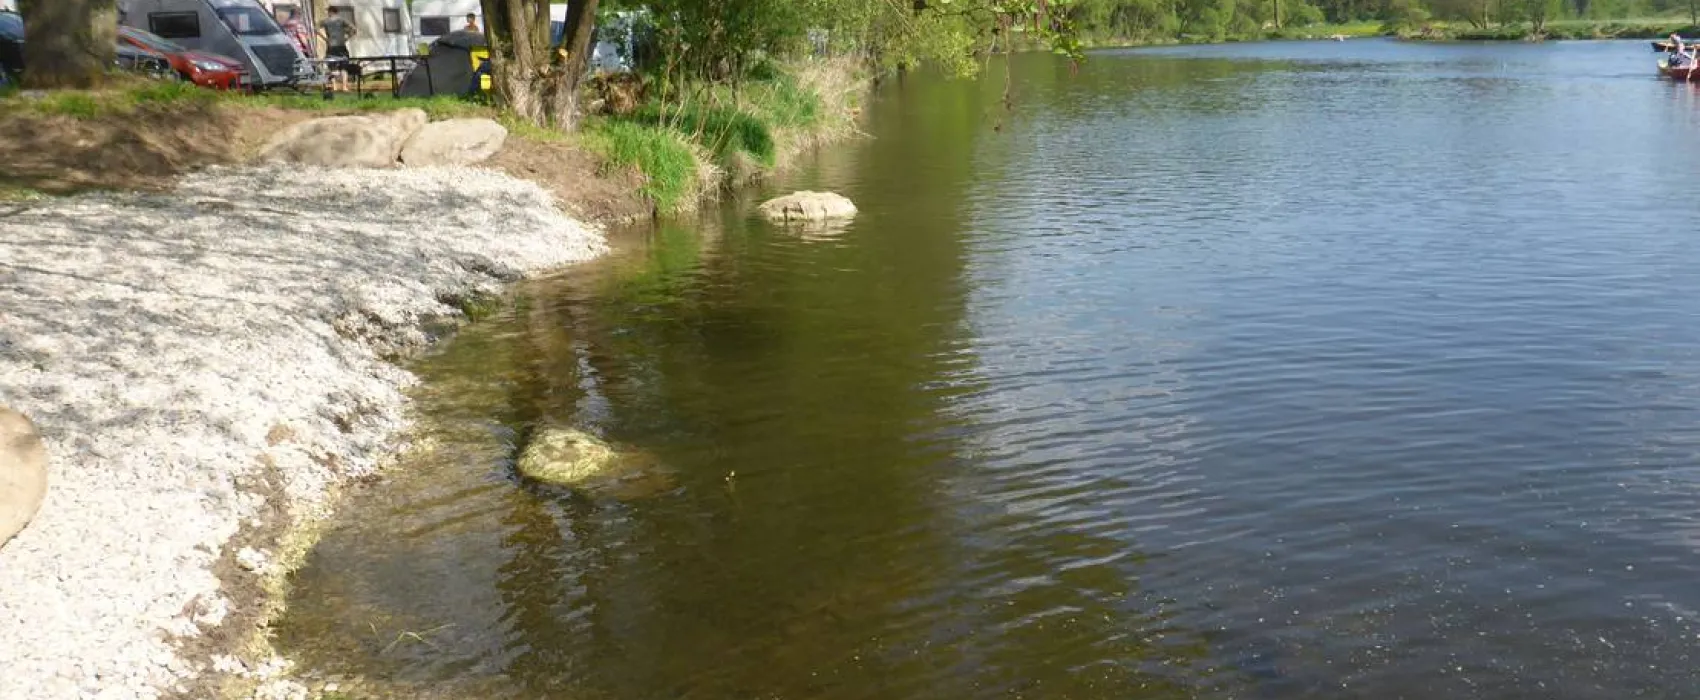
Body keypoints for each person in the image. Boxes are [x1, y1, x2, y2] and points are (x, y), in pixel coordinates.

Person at [318, 6, 356, 91]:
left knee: (332, 66)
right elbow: (354, 29)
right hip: (341, 45)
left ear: (331, 12)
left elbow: (315, 29)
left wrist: (325, 39)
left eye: (328, 12)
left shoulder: (325, 21)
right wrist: (347, 38)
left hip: (331, 46)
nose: (327, 13)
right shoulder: (342, 20)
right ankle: (344, 87)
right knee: (344, 66)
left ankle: (334, 86)